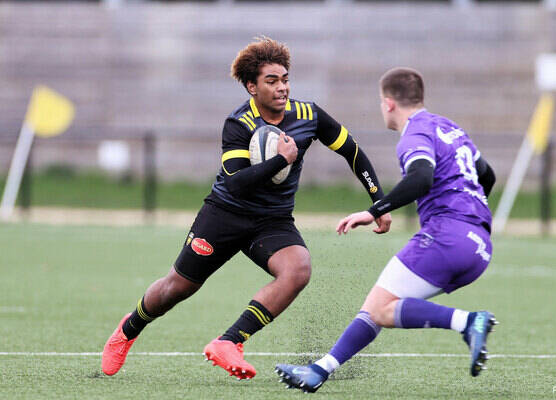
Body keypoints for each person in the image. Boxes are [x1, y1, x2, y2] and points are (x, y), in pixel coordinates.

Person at [101, 37, 391, 380]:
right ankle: (127, 331)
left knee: (298, 270)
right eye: (271, 81)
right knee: (177, 287)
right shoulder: (238, 124)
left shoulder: (309, 115)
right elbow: (237, 181)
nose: (281, 87)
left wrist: (379, 202)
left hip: (272, 221)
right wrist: (281, 160)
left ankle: (230, 342)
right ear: (252, 86)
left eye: (284, 79)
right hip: (224, 215)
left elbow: (352, 151)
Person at [275, 67, 498, 393]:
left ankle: (467, 321)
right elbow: (486, 175)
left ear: (389, 103)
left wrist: (373, 210)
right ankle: (319, 371)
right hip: (478, 244)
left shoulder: (415, 133)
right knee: (379, 306)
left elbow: (421, 178)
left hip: (447, 237)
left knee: (380, 307)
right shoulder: (449, 127)